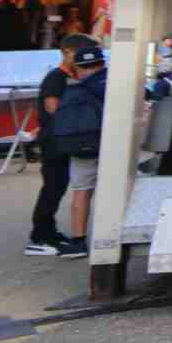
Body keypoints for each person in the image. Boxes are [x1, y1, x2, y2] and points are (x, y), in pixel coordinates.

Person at [25, 34, 93, 255]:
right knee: (52, 188)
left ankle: (49, 232)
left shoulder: (72, 77)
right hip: (53, 141)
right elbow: (52, 108)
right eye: (81, 53)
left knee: (58, 187)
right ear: (67, 52)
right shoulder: (56, 78)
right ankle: (39, 237)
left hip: (64, 141)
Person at [45, 40, 110, 260]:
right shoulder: (117, 83)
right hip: (116, 146)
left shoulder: (74, 88)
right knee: (117, 191)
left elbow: (52, 110)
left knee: (82, 192)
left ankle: (78, 242)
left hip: (85, 147)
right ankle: (112, 238)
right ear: (102, 64)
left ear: (79, 68)